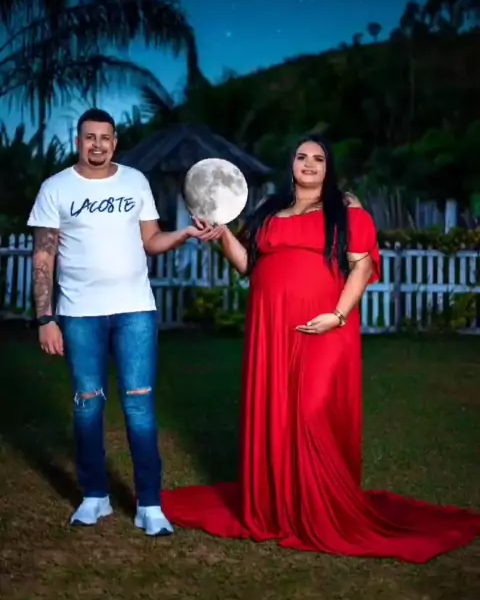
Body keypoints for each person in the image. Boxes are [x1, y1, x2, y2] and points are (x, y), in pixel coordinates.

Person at [161, 135, 480, 563]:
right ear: (291, 164)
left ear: (328, 168)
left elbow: (362, 267)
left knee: (311, 410)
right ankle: (281, 505)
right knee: (278, 410)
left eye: (318, 158)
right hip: (271, 326)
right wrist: (222, 236)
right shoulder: (269, 210)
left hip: (325, 323)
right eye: (301, 157)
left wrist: (339, 314)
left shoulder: (345, 211)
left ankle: (322, 508)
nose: (309, 164)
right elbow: (249, 267)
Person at [27, 108, 213, 536]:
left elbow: (151, 241)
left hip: (134, 311)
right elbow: (44, 257)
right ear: (78, 141)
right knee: (88, 404)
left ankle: (150, 504)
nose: (98, 144)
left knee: (140, 406)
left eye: (105, 137)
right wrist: (45, 318)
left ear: (115, 141)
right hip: (79, 314)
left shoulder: (135, 182)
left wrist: (183, 234)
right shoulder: (55, 188)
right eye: (90, 137)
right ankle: (95, 496)